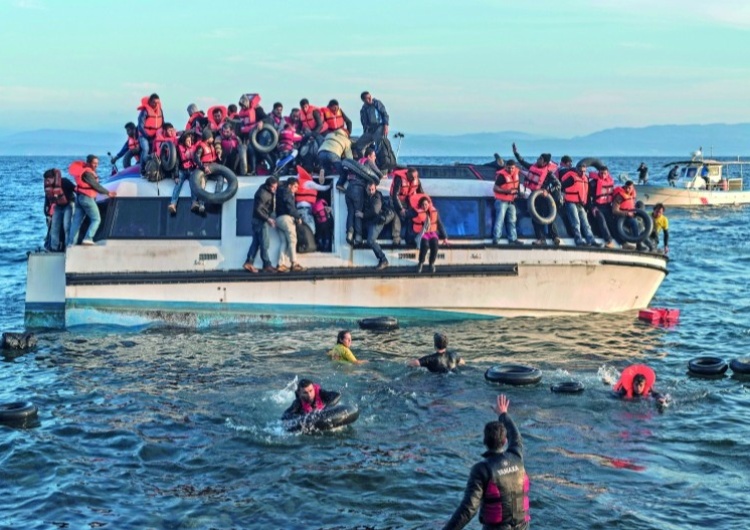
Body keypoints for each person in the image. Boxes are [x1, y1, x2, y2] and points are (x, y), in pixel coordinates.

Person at [442, 394, 530, 530]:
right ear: (505, 441)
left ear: (485, 442)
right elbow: (516, 435)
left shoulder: (482, 469)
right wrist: (503, 414)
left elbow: (469, 509)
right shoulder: (516, 457)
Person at [512, 143, 562, 246]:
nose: (538, 160)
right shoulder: (532, 167)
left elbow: (558, 184)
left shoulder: (548, 173)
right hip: (535, 198)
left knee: (549, 218)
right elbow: (522, 161)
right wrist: (516, 153)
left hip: (545, 197)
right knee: (536, 218)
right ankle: (541, 239)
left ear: (544, 162)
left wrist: (548, 191)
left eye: (540, 159)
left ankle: (555, 237)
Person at [68, 155, 117, 246]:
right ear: (89, 163)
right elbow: (95, 185)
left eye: (97, 163)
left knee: (76, 222)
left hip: (79, 198)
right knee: (96, 219)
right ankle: (88, 238)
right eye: (94, 163)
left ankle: (71, 243)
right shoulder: (88, 173)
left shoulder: (84, 171)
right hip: (86, 198)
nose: (96, 165)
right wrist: (108, 193)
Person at [243, 176, 278, 273]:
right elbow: (258, 209)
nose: (275, 189)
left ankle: (249, 262)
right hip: (260, 221)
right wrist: (268, 219)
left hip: (256, 220)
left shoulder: (264, 190)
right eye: (273, 187)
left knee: (256, 243)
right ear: (268, 186)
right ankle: (267, 264)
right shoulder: (263, 194)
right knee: (264, 243)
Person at [560, 161, 599, 246]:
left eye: (584, 171)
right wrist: (562, 196)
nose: (582, 173)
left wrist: (589, 206)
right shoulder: (571, 178)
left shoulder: (585, 179)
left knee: (586, 223)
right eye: (581, 171)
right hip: (570, 202)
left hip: (580, 204)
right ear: (577, 170)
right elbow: (561, 186)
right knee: (576, 221)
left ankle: (591, 240)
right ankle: (578, 239)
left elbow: (586, 194)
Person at [363, 181, 399, 270]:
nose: (371, 191)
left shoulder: (376, 197)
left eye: (372, 189)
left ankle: (383, 259)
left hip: (378, 221)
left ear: (375, 189)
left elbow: (375, 211)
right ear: (366, 189)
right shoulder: (367, 196)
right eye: (369, 189)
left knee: (370, 241)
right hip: (371, 221)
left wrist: (363, 214)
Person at [408, 195, 449, 273]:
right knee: (425, 245)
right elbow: (409, 222)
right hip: (422, 232)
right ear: (420, 205)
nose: (424, 206)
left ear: (429, 204)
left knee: (435, 245)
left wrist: (445, 237)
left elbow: (440, 224)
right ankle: (420, 263)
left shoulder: (434, 212)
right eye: (423, 204)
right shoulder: (415, 212)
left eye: (426, 204)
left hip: (432, 232)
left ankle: (431, 263)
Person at [275, 177, 306, 272]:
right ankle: (294, 263)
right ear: (290, 185)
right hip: (286, 218)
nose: (296, 189)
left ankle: (281, 264)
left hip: (278, 218)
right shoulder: (287, 193)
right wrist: (298, 217)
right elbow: (290, 207)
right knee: (292, 239)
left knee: (283, 241)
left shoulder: (279, 192)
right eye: (295, 187)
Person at [43, 168, 76, 251]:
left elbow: (75, 189)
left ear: (54, 177)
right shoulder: (48, 187)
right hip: (58, 207)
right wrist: (46, 211)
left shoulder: (64, 181)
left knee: (66, 226)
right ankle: (54, 247)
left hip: (68, 205)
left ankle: (68, 247)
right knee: (54, 227)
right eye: (46, 179)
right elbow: (47, 199)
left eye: (49, 178)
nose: (47, 181)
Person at [492, 159, 523, 246]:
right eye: (509, 168)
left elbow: (517, 184)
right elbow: (495, 188)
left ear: (515, 167)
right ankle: (496, 239)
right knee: (499, 220)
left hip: (511, 201)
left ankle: (513, 239)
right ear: (506, 167)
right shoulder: (502, 176)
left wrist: (519, 193)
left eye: (512, 168)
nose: (510, 170)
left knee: (512, 220)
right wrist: (506, 191)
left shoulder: (517, 173)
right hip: (501, 201)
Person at [390, 167, 424, 245]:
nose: (414, 179)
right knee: (397, 215)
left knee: (413, 213)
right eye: (412, 177)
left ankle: (411, 236)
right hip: (397, 199)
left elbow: (421, 193)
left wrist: (423, 203)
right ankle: (396, 237)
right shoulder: (399, 179)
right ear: (408, 175)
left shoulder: (416, 180)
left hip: (408, 199)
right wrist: (401, 208)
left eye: (415, 177)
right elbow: (395, 195)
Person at [587, 165, 617, 248]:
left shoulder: (610, 181)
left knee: (611, 221)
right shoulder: (593, 183)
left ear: (608, 173)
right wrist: (592, 207)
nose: (603, 175)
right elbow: (588, 197)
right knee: (601, 220)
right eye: (601, 173)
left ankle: (619, 240)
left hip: (607, 206)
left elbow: (612, 194)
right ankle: (608, 240)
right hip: (597, 206)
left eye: (605, 173)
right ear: (598, 173)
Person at [169, 131, 197, 215]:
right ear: (184, 141)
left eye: (190, 140)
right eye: (188, 141)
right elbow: (176, 163)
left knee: (194, 184)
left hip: (192, 170)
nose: (189, 142)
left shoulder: (194, 148)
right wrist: (176, 175)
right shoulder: (179, 149)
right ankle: (173, 204)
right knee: (178, 184)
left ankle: (194, 202)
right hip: (182, 170)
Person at [354, 91, 389, 155]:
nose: (370, 99)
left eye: (370, 97)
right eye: (368, 98)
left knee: (379, 145)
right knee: (359, 145)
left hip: (379, 127)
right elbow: (363, 122)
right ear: (363, 100)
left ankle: (379, 161)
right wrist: (365, 130)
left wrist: (386, 126)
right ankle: (363, 161)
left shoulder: (377, 103)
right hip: (370, 130)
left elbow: (385, 114)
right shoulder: (363, 109)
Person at [136, 93, 163, 169]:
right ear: (150, 102)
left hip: (156, 136)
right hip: (144, 136)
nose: (156, 104)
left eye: (157, 102)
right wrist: (147, 136)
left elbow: (162, 123)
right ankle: (142, 170)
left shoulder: (160, 111)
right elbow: (140, 126)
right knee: (146, 149)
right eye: (154, 102)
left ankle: (153, 168)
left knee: (155, 151)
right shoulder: (144, 112)